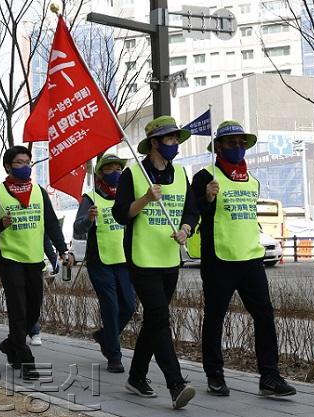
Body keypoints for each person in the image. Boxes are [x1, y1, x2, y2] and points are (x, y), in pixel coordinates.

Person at [192, 121, 296, 397]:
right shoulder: (205, 176)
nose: (238, 148)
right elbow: (192, 211)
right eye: (231, 143)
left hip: (250, 258)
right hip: (219, 259)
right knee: (215, 317)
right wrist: (206, 198)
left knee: (264, 316)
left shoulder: (252, 180)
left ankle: (270, 376)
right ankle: (214, 375)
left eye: (241, 143)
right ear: (218, 147)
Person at [112, 116, 199, 409]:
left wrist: (186, 230)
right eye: (169, 139)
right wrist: (146, 199)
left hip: (169, 258)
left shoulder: (180, 174)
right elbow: (121, 213)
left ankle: (136, 376)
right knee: (160, 317)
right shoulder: (133, 175)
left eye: (176, 139)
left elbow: (191, 212)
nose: (174, 144)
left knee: (154, 319)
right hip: (141, 257)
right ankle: (176, 384)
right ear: (154, 143)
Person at [0, 145, 71, 380]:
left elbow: (50, 224)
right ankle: (26, 360)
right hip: (10, 259)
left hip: (33, 260)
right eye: (19, 163)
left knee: (33, 309)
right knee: (18, 310)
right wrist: (1, 223)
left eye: (28, 162)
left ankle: (11, 344)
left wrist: (62, 249)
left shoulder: (39, 191)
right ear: (8, 166)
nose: (25, 166)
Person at [74, 154, 136, 373]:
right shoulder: (90, 198)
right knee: (110, 306)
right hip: (100, 260)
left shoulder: (127, 197)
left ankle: (104, 336)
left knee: (129, 305)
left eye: (118, 169)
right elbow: (77, 229)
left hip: (125, 259)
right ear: (100, 173)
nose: (115, 173)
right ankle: (114, 356)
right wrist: (88, 219)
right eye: (109, 169)